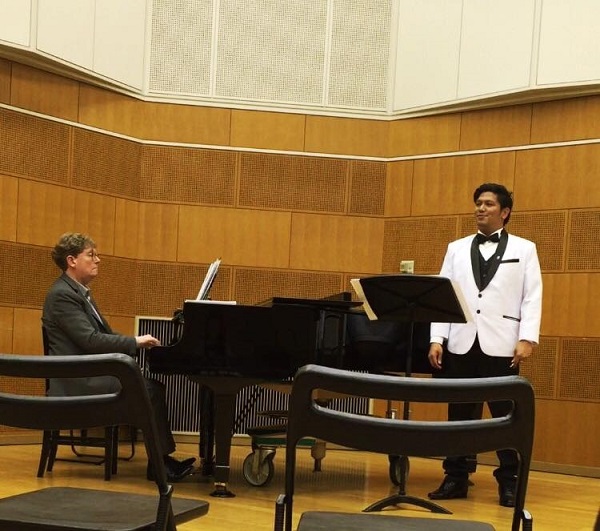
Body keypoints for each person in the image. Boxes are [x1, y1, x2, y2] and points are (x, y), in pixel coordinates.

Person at [42, 232, 195, 482]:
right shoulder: (62, 295)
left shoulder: (79, 293)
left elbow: (103, 337)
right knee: (149, 390)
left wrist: (133, 347)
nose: (98, 260)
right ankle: (159, 465)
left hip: (89, 373)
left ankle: (160, 461)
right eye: (91, 255)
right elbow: (90, 341)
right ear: (71, 260)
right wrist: (135, 342)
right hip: (78, 380)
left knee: (150, 387)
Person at [427, 183, 542, 508]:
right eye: (478, 203)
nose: (480, 208)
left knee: (505, 415)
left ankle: (510, 482)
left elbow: (532, 296)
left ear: (504, 212)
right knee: (460, 415)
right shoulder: (456, 248)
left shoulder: (525, 249)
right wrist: (437, 338)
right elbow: (442, 294)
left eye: (488, 204)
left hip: (502, 343)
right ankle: (456, 477)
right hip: (462, 342)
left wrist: (527, 337)